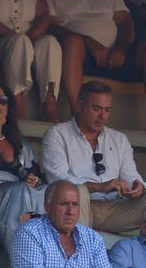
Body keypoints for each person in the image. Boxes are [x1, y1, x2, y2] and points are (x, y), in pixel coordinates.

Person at [47, 0, 141, 115]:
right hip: (81, 57)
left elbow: (125, 23)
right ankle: (77, 114)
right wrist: (88, 42)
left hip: (116, 55)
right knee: (74, 43)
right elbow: (49, 26)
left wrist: (120, 49)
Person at [41, 80, 146, 233]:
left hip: (117, 208)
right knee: (76, 191)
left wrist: (137, 186)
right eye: (96, 109)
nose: (102, 116)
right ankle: (82, 244)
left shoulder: (119, 139)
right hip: (81, 206)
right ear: (80, 104)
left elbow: (130, 175)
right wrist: (99, 187)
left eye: (107, 110)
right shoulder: (57, 135)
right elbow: (57, 179)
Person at [0, 78, 46, 249]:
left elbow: (37, 178)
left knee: (51, 191)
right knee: (19, 191)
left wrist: (34, 180)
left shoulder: (19, 142)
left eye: (2, 100)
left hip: (18, 196)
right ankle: (18, 252)